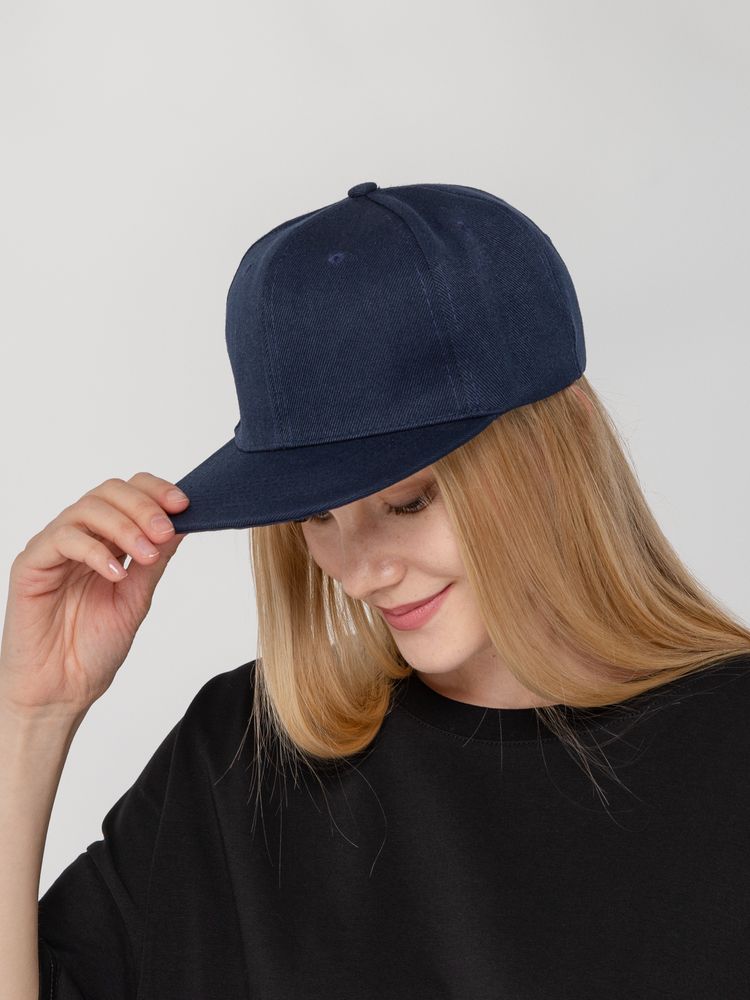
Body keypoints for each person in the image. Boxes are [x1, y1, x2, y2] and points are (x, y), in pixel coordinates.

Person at [3, 182, 750, 999]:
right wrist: (32, 714)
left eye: (409, 502)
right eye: (316, 515)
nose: (360, 573)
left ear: (550, 453)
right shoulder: (246, 759)